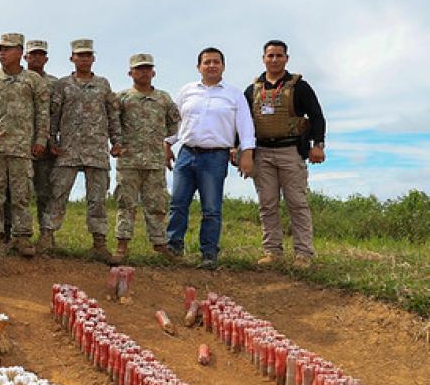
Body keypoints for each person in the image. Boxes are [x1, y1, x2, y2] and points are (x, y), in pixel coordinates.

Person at [165, 47, 255, 270]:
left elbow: (245, 126)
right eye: (207, 62)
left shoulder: (234, 95)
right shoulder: (187, 91)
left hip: (215, 156)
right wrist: (167, 143)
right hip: (187, 153)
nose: (211, 65)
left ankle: (208, 252)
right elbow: (176, 122)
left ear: (223, 66)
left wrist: (247, 153)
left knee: (212, 208)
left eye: (216, 62)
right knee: (178, 203)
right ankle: (173, 246)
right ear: (199, 67)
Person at [245, 39, 326, 268]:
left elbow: (317, 116)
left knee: (297, 203)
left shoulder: (299, 86)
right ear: (263, 59)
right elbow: (242, 123)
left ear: (286, 58)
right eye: (270, 56)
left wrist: (318, 145)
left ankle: (303, 254)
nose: (274, 60)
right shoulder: (252, 90)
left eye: (279, 56)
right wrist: (242, 151)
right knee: (267, 204)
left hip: (291, 150)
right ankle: (272, 251)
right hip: (262, 153)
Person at [44, 39, 121, 262]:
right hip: (67, 149)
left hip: (96, 149)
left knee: (97, 198)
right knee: (57, 193)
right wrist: (51, 140)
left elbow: (112, 115)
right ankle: (47, 237)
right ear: (72, 58)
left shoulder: (103, 85)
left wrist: (117, 141)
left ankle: (99, 243)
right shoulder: (62, 85)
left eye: (88, 55)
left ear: (93, 59)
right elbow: (54, 115)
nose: (84, 59)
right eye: (80, 55)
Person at [0, 33, 49, 256]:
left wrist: (41, 139)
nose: (2, 53)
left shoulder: (33, 81)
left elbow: (42, 114)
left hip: (21, 147)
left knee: (21, 194)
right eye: (0, 49)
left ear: (19, 52)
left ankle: (22, 238)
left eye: (7, 49)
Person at [112, 54, 181, 263]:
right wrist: (117, 143)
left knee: (156, 205)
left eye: (147, 68)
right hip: (129, 161)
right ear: (130, 73)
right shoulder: (122, 97)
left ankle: (160, 245)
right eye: (138, 68)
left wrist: (165, 142)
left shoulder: (163, 98)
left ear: (154, 72)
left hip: (154, 161)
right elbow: (114, 123)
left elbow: (174, 122)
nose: (143, 72)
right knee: (126, 203)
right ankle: (122, 245)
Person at [26, 40, 59, 235]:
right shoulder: (18, 79)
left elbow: (57, 114)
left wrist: (52, 140)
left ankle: (46, 235)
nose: (37, 57)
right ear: (25, 57)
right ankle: (15, 234)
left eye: (41, 54)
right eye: (33, 54)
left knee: (45, 192)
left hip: (45, 146)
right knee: (16, 192)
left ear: (46, 58)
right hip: (18, 143)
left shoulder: (54, 83)